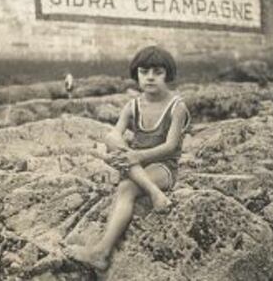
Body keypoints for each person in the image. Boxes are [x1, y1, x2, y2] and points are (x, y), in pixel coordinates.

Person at [66, 45, 191, 271]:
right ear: (137, 75)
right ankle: (153, 192)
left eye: (157, 72)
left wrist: (136, 155)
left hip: (163, 168)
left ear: (168, 75)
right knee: (110, 138)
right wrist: (118, 148)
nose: (150, 77)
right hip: (136, 162)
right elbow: (115, 133)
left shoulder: (177, 107)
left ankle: (101, 252)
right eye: (144, 72)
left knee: (126, 188)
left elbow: (171, 146)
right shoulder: (132, 105)